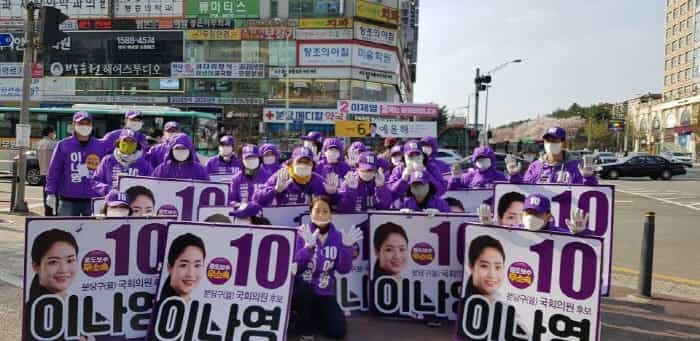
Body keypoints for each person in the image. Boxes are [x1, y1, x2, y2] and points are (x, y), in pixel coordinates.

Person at [293, 196, 361, 340]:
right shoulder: (301, 233)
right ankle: (305, 326)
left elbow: (343, 269)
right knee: (305, 290)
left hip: (324, 292)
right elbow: (295, 269)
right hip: (301, 290)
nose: (321, 215)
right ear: (310, 213)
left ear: (331, 214)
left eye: (325, 211)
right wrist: (308, 248)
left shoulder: (338, 237)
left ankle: (313, 318)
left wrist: (347, 248)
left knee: (338, 331)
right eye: (317, 211)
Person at [46, 111, 105, 216]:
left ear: (92, 125)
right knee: (66, 231)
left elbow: (105, 170)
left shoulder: (100, 145)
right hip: (68, 200)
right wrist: (50, 192)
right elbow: (54, 170)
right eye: (81, 123)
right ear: (73, 125)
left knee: (92, 231)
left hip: (93, 199)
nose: (84, 126)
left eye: (87, 123)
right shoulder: (63, 145)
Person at [25, 229, 79, 340]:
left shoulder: (75, 304)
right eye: (53, 262)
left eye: (70, 260)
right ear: (36, 266)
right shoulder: (36, 311)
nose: (63, 270)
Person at [253, 147, 338, 206]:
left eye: (306, 162)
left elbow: (339, 206)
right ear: (292, 163)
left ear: (312, 165)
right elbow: (256, 199)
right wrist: (274, 190)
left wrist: (332, 194)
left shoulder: (318, 180)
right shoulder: (281, 176)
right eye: (300, 162)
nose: (303, 165)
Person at [511, 127, 598, 185]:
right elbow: (524, 188)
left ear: (563, 143)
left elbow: (589, 192)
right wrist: (515, 176)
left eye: (554, 140)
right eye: (547, 141)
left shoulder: (576, 166)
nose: (550, 144)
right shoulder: (535, 166)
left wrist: (589, 178)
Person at [92, 129, 153, 196]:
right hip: (111, 202)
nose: (128, 143)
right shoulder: (108, 160)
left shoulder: (144, 164)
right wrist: (108, 190)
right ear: (119, 142)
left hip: (134, 202)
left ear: (137, 145)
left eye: (132, 141)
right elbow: (95, 181)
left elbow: (151, 184)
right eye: (125, 140)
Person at [159, 233, 206, 303]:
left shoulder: (196, 306)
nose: (190, 274)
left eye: (197, 265)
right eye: (183, 265)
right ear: (170, 268)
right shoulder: (162, 308)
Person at [464, 235, 505, 302]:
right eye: (484, 266)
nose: (492, 275)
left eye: (497, 267)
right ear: (471, 266)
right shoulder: (466, 305)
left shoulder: (501, 303)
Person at [36, 126, 58, 216]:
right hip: (54, 173)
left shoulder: (39, 144)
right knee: (56, 195)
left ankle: (47, 212)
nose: (54, 134)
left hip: (43, 172)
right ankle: (56, 212)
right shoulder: (55, 144)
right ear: (50, 133)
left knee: (46, 194)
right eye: (53, 132)